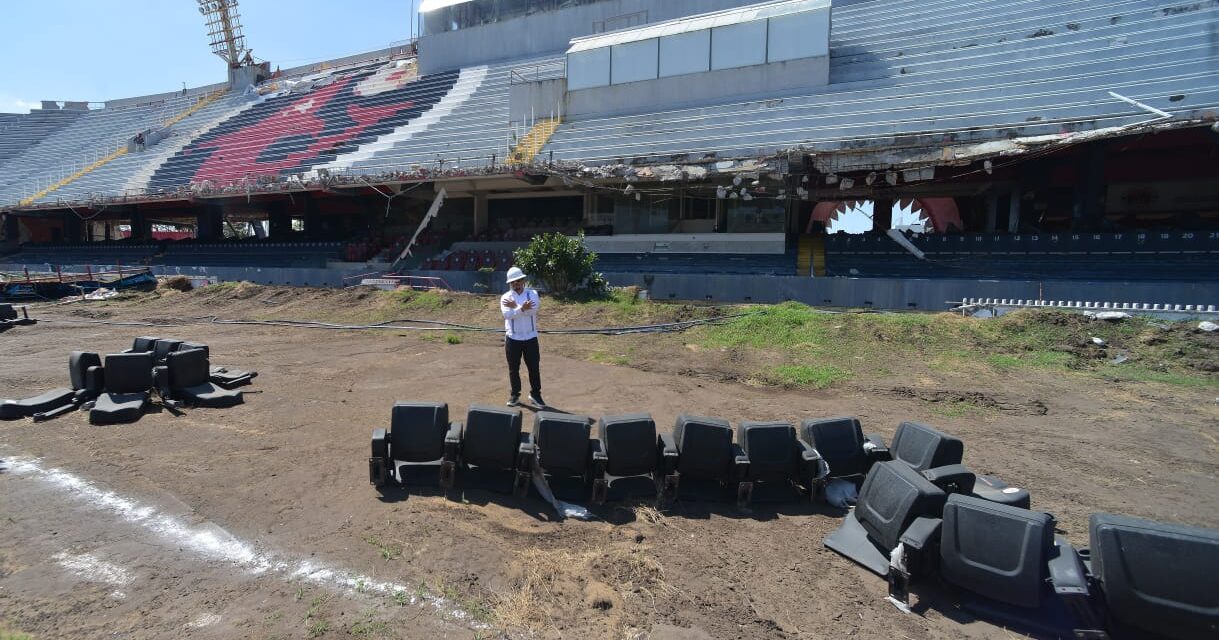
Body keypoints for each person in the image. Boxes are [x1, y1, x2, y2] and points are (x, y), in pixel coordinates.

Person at [501, 266, 544, 408]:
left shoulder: (532, 294)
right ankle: (515, 395)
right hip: (513, 339)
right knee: (513, 368)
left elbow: (533, 310)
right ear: (510, 283)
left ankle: (535, 394)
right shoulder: (506, 297)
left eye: (518, 281)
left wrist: (516, 307)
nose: (516, 284)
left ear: (523, 280)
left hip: (531, 338)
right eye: (513, 282)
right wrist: (521, 308)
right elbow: (508, 315)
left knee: (534, 367)